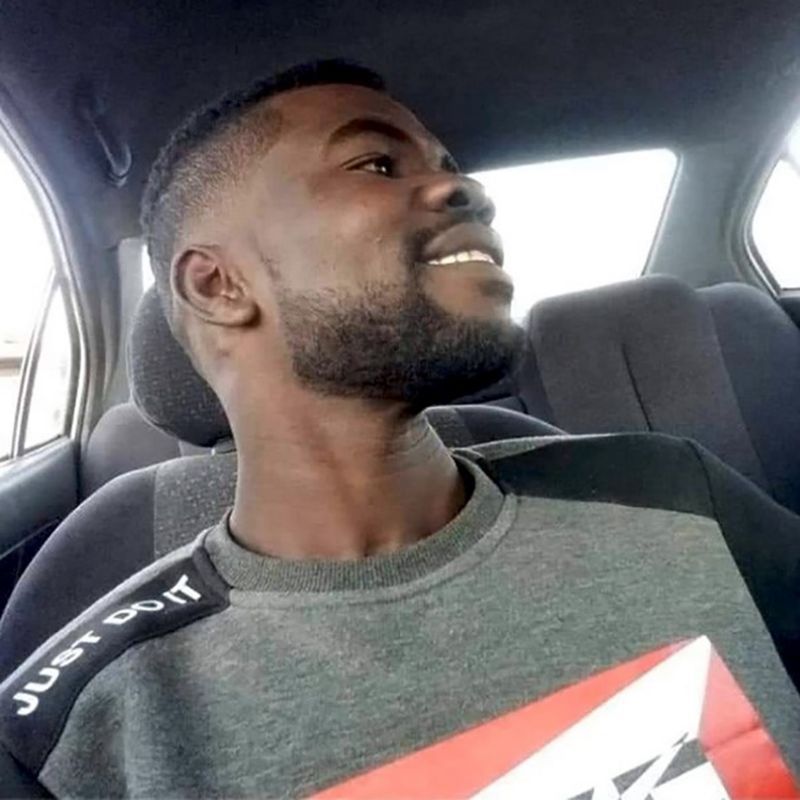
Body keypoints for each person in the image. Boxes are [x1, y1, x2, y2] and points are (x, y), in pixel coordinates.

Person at [2, 59, 800, 797]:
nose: (468, 189)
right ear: (218, 286)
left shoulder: (670, 492)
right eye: (377, 165)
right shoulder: (75, 730)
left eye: (448, 164)